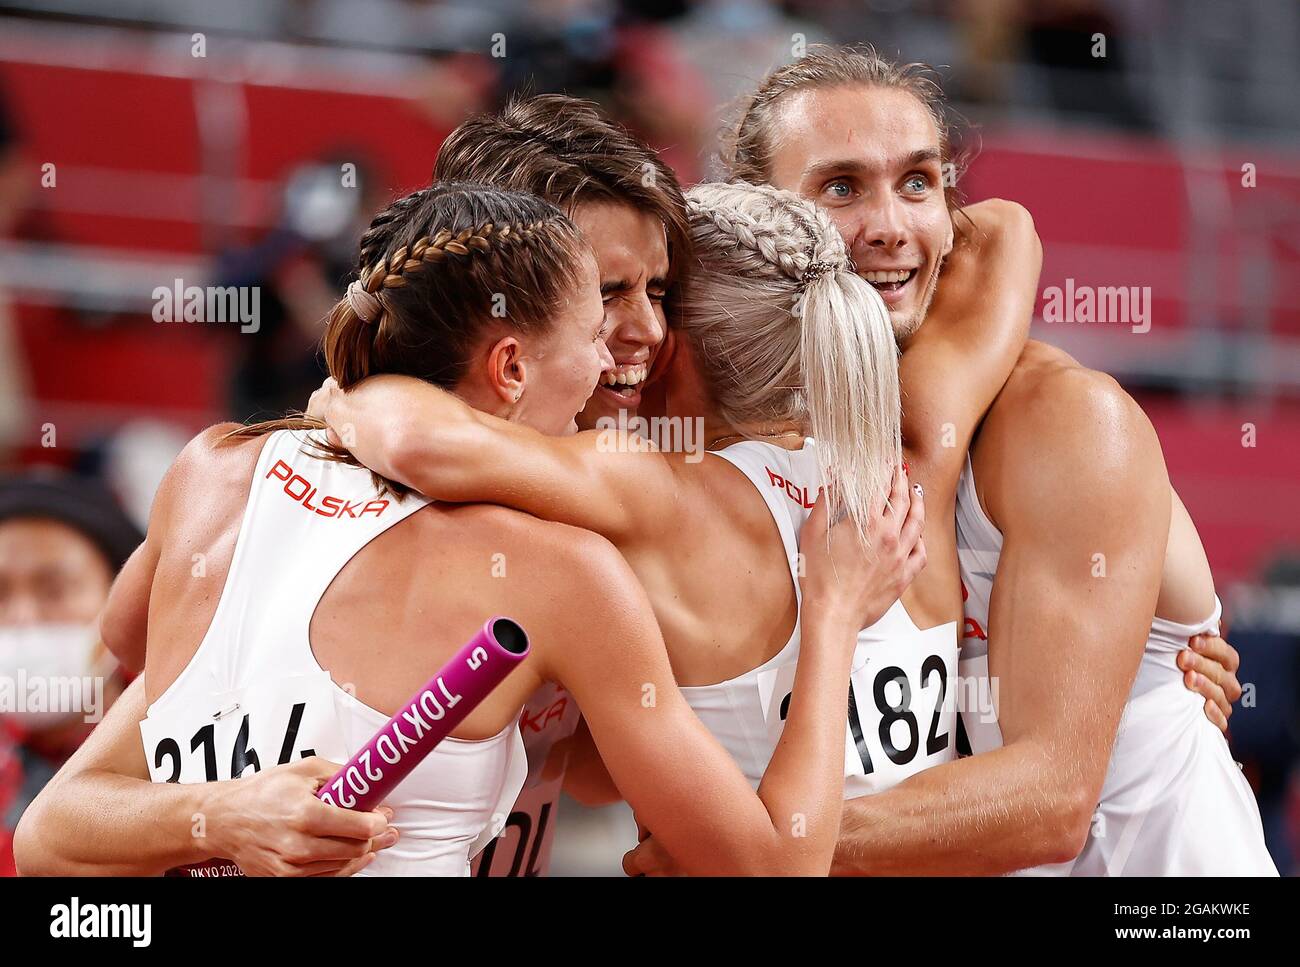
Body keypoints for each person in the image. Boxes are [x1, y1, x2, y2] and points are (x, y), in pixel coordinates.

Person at [15, 182, 900, 877]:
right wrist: (831, 615)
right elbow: (778, 861)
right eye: (596, 331)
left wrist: (218, 814)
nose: (613, 365)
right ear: (511, 365)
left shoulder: (211, 468)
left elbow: (57, 816)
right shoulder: (562, 573)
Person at [629, 44, 1272, 876]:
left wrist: (741, 848)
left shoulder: (1066, 419)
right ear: (761, 219)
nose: (892, 225)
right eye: (840, 186)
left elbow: (1051, 803)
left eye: (920, 183)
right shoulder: (781, 443)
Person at [309, 181, 1036, 814]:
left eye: (658, 298)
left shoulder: (653, 489)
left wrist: (340, 398)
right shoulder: (908, 467)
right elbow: (1009, 231)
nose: (630, 333)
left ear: (677, 342)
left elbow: (418, 442)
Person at [0, 474, 140, 875]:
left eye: (55, 590)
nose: (23, 618)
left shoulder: (184, 740)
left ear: (119, 601)